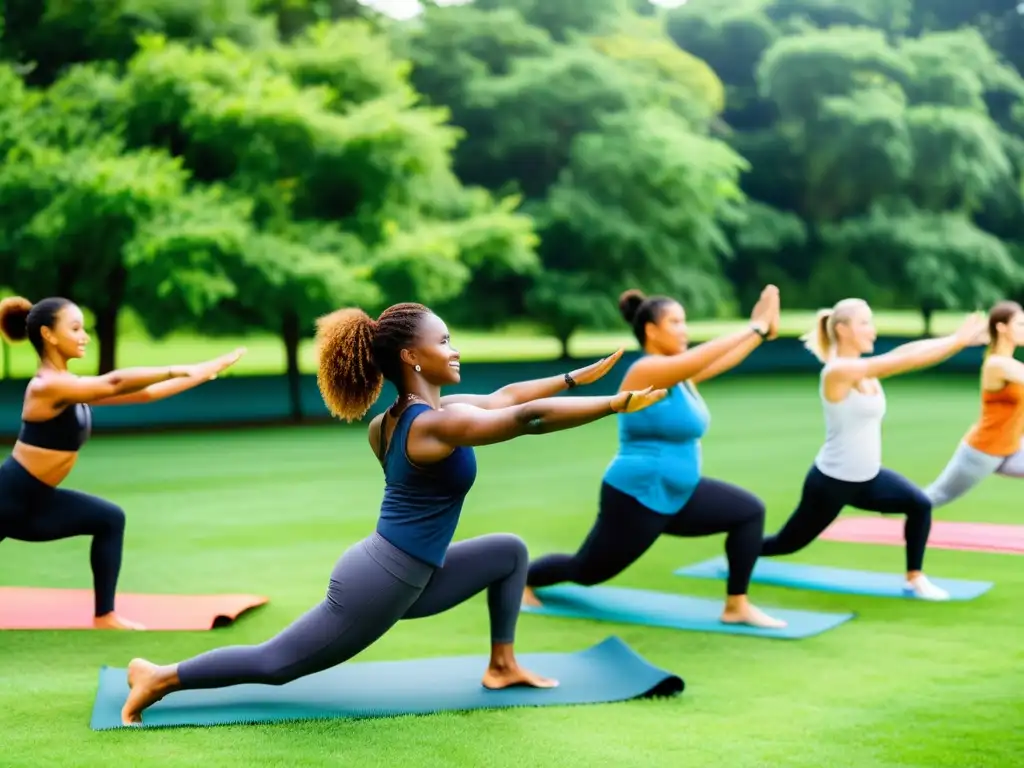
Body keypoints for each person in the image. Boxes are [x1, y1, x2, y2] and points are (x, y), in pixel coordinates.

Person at [119, 301, 667, 725]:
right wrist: (616, 403)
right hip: (381, 582)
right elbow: (526, 419)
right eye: (444, 341)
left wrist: (575, 379)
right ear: (411, 355)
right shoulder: (432, 426)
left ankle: (503, 666)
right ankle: (160, 676)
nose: (454, 350)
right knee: (276, 665)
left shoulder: (406, 417)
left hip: (409, 572)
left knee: (508, 553)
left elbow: (504, 398)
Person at [525, 284, 790, 629]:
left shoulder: (680, 377)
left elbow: (718, 360)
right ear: (651, 330)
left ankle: (736, 605)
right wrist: (752, 327)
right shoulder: (645, 372)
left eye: (685, 322)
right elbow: (701, 356)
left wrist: (761, 333)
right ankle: (520, 578)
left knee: (749, 512)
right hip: (638, 496)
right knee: (588, 570)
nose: (685, 329)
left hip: (681, 494)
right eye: (676, 322)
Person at [0, 295, 245, 630]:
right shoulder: (46, 387)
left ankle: (105, 616)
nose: (84, 335)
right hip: (7, 499)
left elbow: (145, 394)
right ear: (49, 335)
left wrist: (204, 372)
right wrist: (179, 367)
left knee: (108, 519)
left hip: (38, 502)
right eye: (75, 328)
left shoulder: (71, 387)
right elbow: (113, 382)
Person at [760, 298, 988, 601]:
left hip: (867, 479)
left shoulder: (865, 371)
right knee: (786, 544)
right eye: (865, 322)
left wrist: (954, 339)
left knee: (919, 504)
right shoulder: (837, 372)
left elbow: (906, 351)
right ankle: (741, 548)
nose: (873, 329)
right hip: (831, 483)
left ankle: (915, 579)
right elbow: (904, 362)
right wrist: (957, 342)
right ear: (842, 329)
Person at [923, 300, 1024, 508]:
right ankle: (887, 506)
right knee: (934, 497)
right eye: (1020, 324)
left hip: (1012, 446)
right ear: (1001, 328)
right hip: (984, 450)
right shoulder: (997, 364)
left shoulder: (1008, 362)